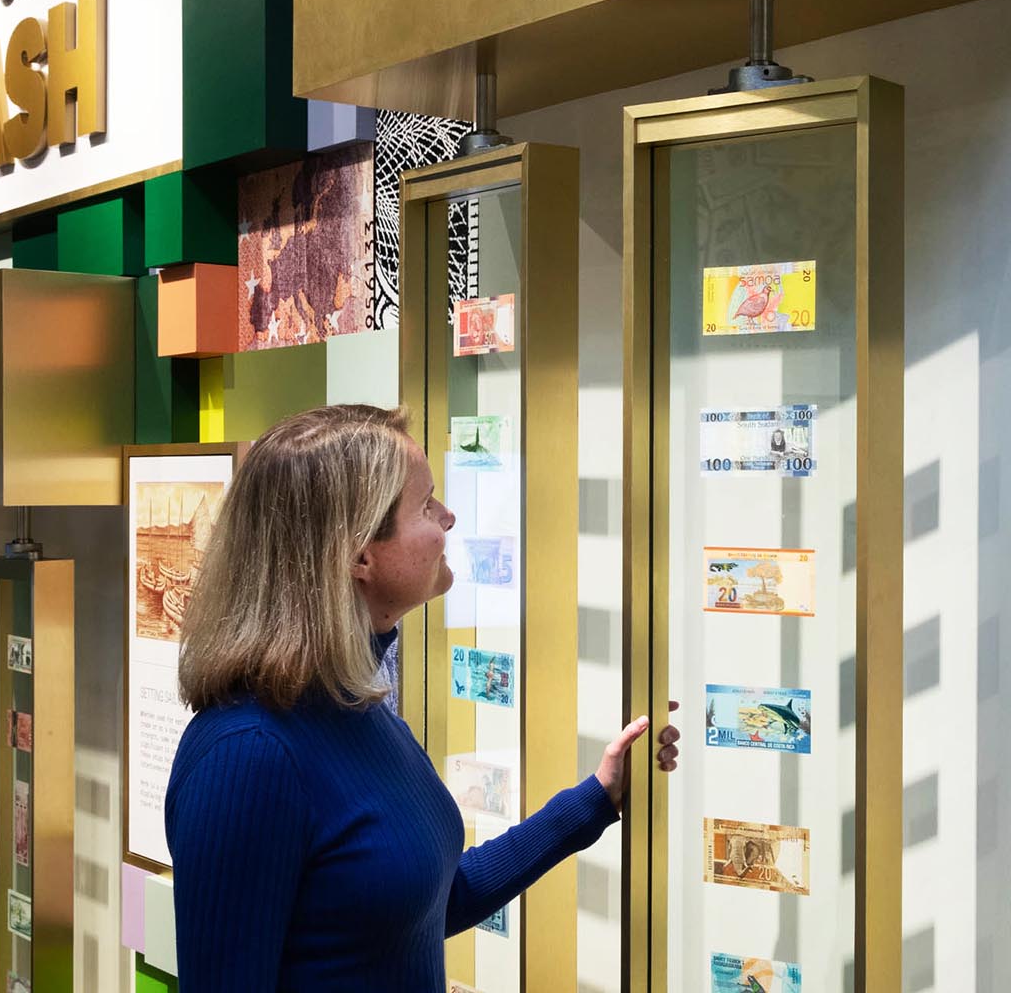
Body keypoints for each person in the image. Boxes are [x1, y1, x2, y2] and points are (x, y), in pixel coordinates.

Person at [165, 405, 680, 991]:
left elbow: (428, 902)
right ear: (359, 553)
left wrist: (595, 798)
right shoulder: (246, 754)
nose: (448, 517)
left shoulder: (357, 708)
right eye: (426, 503)